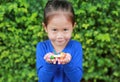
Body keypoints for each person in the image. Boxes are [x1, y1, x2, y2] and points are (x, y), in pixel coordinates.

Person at [36, 0, 83, 82]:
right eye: (54, 30)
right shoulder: (42, 47)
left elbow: (76, 79)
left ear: (73, 26)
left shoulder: (76, 47)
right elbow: (43, 79)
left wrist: (68, 63)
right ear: (45, 27)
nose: (60, 36)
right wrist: (49, 64)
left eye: (65, 29)